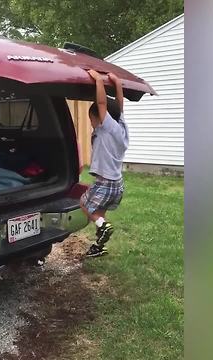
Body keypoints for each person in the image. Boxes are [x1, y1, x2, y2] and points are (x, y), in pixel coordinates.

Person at [81, 69, 129, 257]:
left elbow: (102, 103)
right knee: (100, 212)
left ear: (100, 117)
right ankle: (99, 246)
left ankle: (103, 226)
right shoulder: (121, 127)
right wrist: (117, 84)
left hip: (105, 182)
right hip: (117, 184)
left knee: (85, 203)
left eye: (91, 119)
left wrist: (99, 80)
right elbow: (120, 105)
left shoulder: (107, 127)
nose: (92, 123)